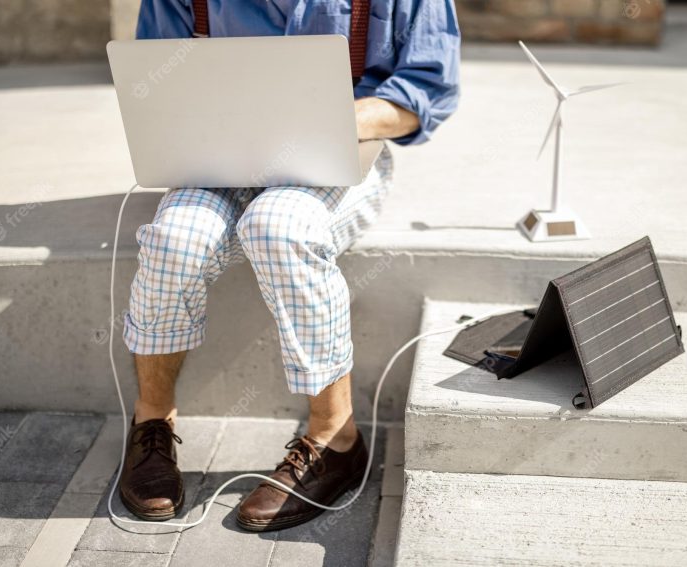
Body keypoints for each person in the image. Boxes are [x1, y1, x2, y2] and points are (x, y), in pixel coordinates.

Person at [119, 0, 460, 531]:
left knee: (278, 228)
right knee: (174, 241)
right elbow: (153, 79)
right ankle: (151, 421)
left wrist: (334, 118)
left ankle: (337, 436)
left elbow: (427, 92)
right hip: (216, 153)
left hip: (335, 152)